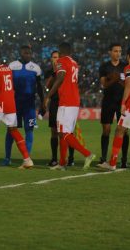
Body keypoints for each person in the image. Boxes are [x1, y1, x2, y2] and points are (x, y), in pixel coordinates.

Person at [44, 42, 95, 170]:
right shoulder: (74, 63)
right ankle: (62, 163)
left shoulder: (62, 61)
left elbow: (60, 77)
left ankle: (87, 154)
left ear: (61, 52)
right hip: (74, 101)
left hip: (66, 102)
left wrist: (48, 96)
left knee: (63, 132)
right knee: (64, 133)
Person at [0, 45, 45, 166]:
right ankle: (7, 158)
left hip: (29, 105)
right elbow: (5, 85)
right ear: (20, 53)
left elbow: (40, 87)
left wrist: (43, 103)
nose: (27, 55)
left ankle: (26, 159)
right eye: (25, 53)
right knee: (10, 130)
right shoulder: (11, 66)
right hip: (14, 104)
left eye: (29, 53)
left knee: (29, 131)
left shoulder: (36, 68)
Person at [98, 43, 129, 167]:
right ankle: (103, 158)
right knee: (106, 130)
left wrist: (117, 80)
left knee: (124, 131)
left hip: (122, 102)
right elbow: (103, 84)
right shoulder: (104, 67)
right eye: (115, 51)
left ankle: (124, 159)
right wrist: (113, 80)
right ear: (110, 52)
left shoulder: (125, 67)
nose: (118, 53)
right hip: (108, 101)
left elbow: (129, 84)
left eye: (120, 51)